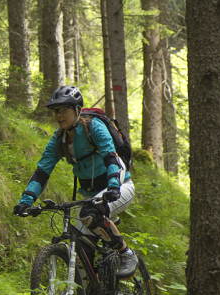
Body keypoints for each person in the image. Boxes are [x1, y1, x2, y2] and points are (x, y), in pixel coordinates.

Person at [13, 85, 138, 277]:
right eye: (56, 111)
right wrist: (25, 201)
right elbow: (42, 173)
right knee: (82, 254)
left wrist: (113, 187)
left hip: (119, 185)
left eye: (64, 109)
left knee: (89, 214)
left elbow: (111, 157)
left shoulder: (94, 127)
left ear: (77, 110)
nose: (59, 115)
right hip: (90, 194)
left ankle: (126, 253)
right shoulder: (58, 139)